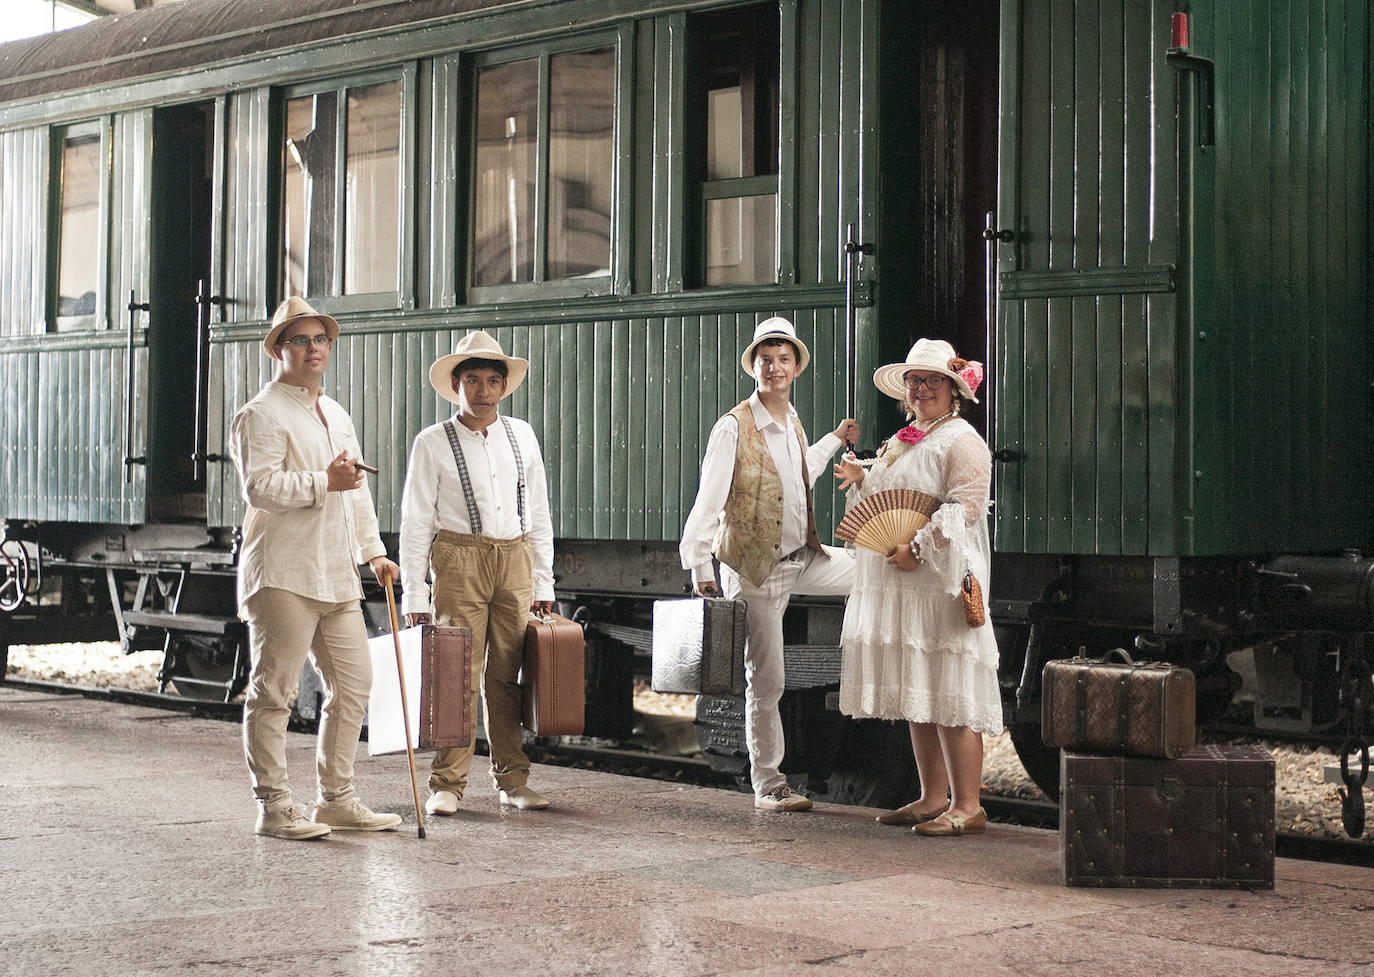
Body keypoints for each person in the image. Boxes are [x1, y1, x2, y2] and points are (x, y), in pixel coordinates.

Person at [229, 296, 403, 841]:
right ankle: (275, 806)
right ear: (278, 350)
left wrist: (373, 551)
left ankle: (336, 799)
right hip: (281, 571)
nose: (312, 349)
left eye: (320, 340)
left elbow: (356, 492)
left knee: (355, 686)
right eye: (300, 340)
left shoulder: (337, 414)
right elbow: (259, 487)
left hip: (335, 571)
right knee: (273, 691)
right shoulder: (260, 413)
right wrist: (322, 482)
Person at [680, 317, 859, 811]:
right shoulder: (733, 427)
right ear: (753, 368)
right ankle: (768, 784)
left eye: (783, 359)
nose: (774, 367)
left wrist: (834, 438)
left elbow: (804, 472)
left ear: (796, 367)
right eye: (765, 359)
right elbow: (708, 502)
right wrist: (699, 568)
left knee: (875, 569)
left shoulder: (792, 422)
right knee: (767, 678)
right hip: (754, 570)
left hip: (805, 559)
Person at [833, 338, 1000, 836]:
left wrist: (918, 548)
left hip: (939, 580)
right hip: (899, 578)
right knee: (920, 687)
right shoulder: (903, 438)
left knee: (950, 684)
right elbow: (883, 501)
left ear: (952, 390)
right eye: (914, 381)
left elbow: (964, 506)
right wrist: (859, 478)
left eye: (932, 381)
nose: (922, 389)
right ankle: (932, 797)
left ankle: (968, 806)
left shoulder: (961, 439)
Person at [399, 331, 555, 815]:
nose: (483, 391)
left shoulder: (521, 434)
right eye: (473, 380)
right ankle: (447, 783)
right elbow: (416, 520)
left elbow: (540, 514)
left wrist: (544, 581)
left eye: (492, 380)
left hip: (514, 558)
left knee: (508, 674)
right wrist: (415, 595)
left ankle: (512, 779)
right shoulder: (432, 442)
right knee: (456, 673)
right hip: (458, 559)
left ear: (504, 386)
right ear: (456, 385)